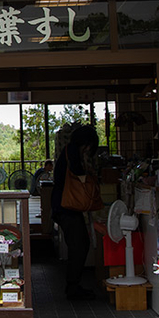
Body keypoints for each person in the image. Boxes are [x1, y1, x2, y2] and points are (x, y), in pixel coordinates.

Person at [50, 125, 100, 301]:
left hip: (64, 206)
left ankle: (73, 284)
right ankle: (73, 286)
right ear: (86, 143)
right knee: (79, 245)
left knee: (78, 244)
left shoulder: (68, 150)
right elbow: (78, 174)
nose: (88, 149)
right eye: (89, 146)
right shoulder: (72, 152)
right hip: (67, 206)